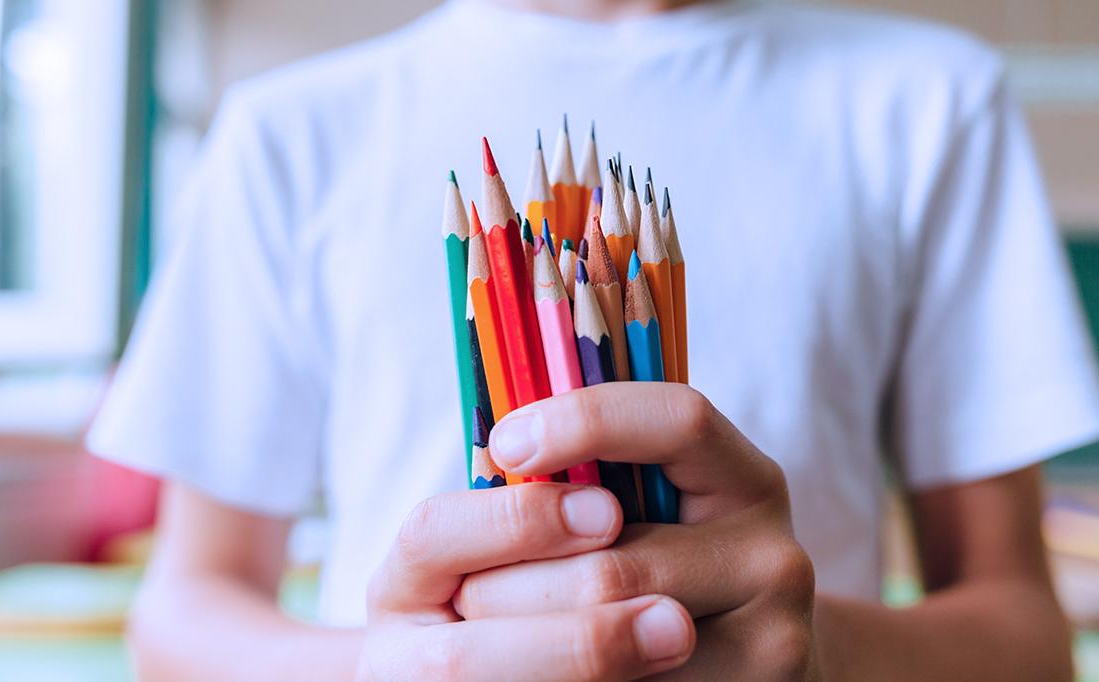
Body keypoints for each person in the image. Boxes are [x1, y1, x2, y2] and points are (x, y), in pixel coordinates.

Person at [87, 0, 1099, 678]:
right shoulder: (290, 131)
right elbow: (182, 610)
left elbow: (1023, 634)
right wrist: (383, 667)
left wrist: (812, 643)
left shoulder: (928, 102)